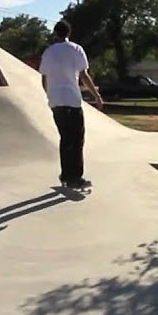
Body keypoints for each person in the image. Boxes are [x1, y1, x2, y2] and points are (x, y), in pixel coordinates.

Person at [38, 21, 103, 189]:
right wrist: (96, 95)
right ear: (69, 33)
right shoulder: (76, 49)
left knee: (65, 138)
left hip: (55, 101)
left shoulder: (48, 52)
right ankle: (75, 177)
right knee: (77, 139)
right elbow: (83, 75)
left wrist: (49, 95)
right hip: (71, 99)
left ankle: (66, 175)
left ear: (55, 33)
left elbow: (44, 78)